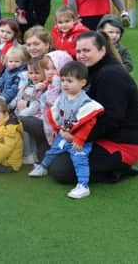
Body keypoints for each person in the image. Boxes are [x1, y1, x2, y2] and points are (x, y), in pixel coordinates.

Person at [47, 31, 138, 184]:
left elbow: (111, 119)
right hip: (99, 136)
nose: (81, 55)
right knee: (53, 158)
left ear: (102, 50)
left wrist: (78, 137)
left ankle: (118, 170)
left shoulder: (111, 75)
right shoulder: (91, 70)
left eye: (87, 50)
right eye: (78, 51)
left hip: (120, 143)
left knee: (61, 170)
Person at [29, 61, 104, 199]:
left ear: (82, 82)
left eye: (69, 81)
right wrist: (57, 128)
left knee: (80, 160)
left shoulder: (85, 102)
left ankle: (83, 185)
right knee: (52, 151)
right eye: (63, 80)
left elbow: (88, 123)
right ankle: (43, 167)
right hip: (63, 135)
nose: (64, 84)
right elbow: (56, 112)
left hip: (78, 140)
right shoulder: (63, 96)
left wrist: (80, 139)